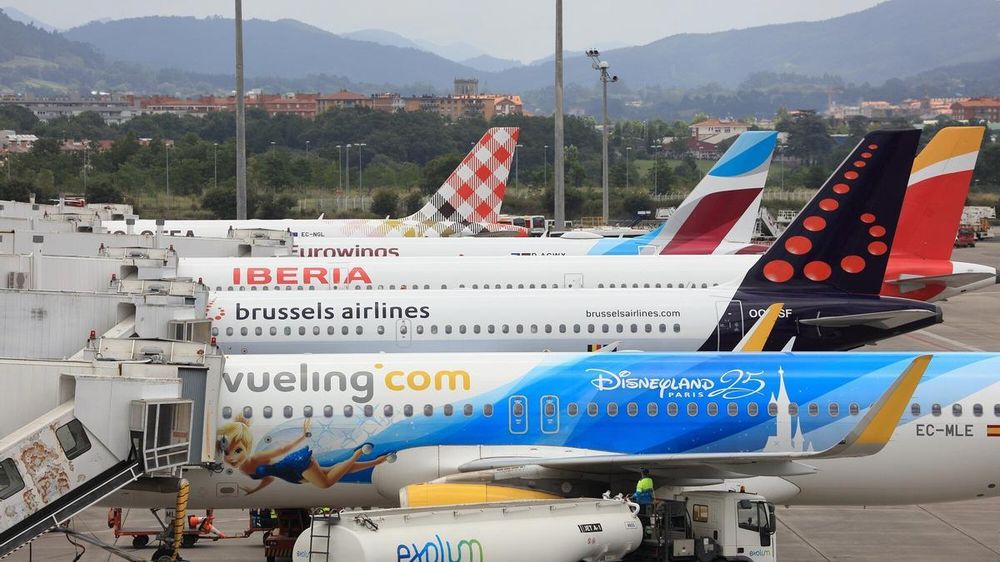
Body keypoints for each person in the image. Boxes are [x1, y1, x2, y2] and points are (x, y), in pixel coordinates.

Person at [216, 416, 394, 496]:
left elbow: (280, 451)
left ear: (246, 448)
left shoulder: (255, 459)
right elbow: (269, 478)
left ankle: (356, 454)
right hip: (293, 474)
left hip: (295, 465)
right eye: (227, 452)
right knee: (334, 471)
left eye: (237, 451)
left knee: (325, 483)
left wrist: (302, 436)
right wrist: (254, 490)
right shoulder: (246, 469)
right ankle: (373, 461)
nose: (231, 457)